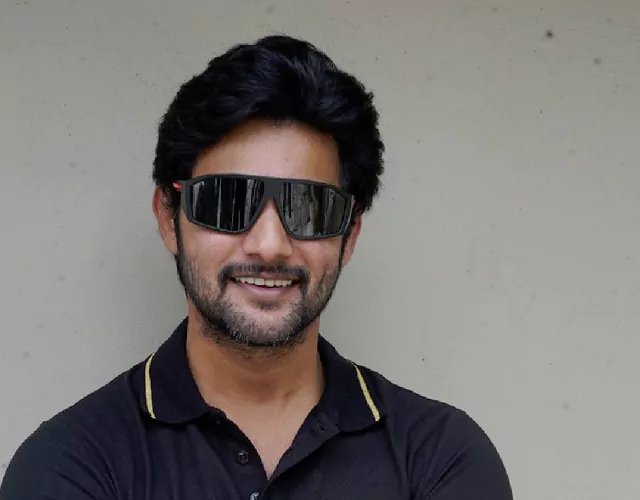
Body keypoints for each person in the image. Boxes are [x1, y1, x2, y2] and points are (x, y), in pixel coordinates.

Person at [0, 35, 512, 500]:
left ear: (350, 233)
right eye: (228, 202)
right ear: (168, 218)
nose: (269, 246)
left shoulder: (440, 459)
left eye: (309, 208)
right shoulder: (71, 465)